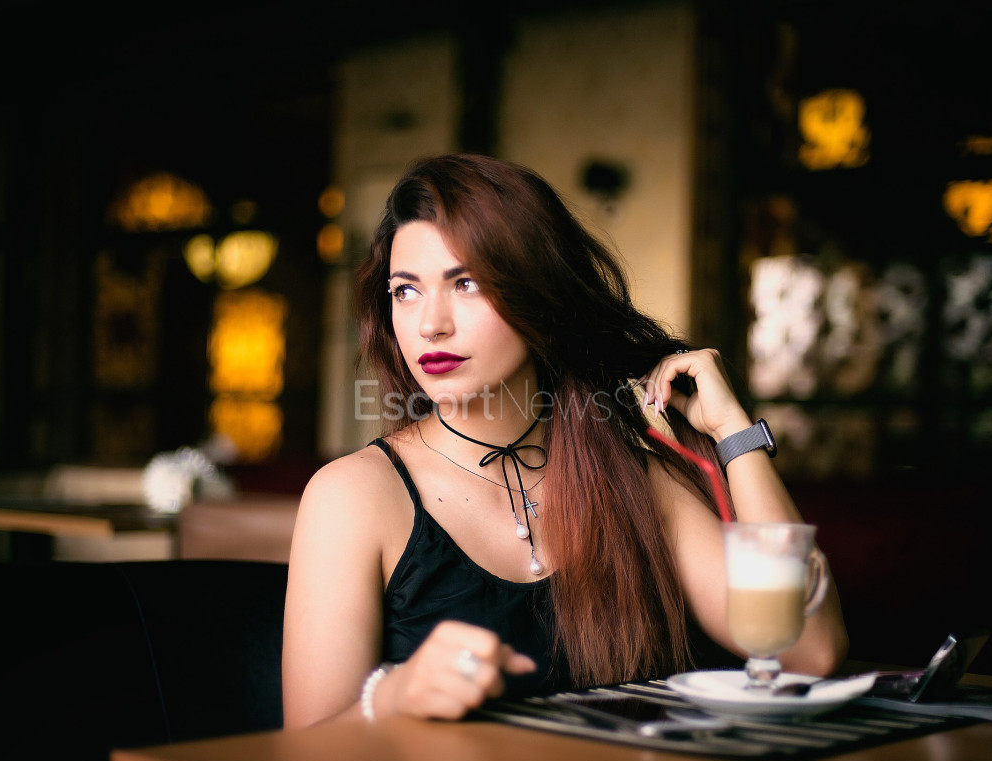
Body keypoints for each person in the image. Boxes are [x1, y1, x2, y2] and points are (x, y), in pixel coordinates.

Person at [282, 153, 848, 728]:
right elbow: (305, 744)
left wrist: (735, 435)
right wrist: (394, 697)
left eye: (466, 283)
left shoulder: (632, 479)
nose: (431, 324)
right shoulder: (354, 496)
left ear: (537, 291)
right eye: (405, 291)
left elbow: (808, 651)